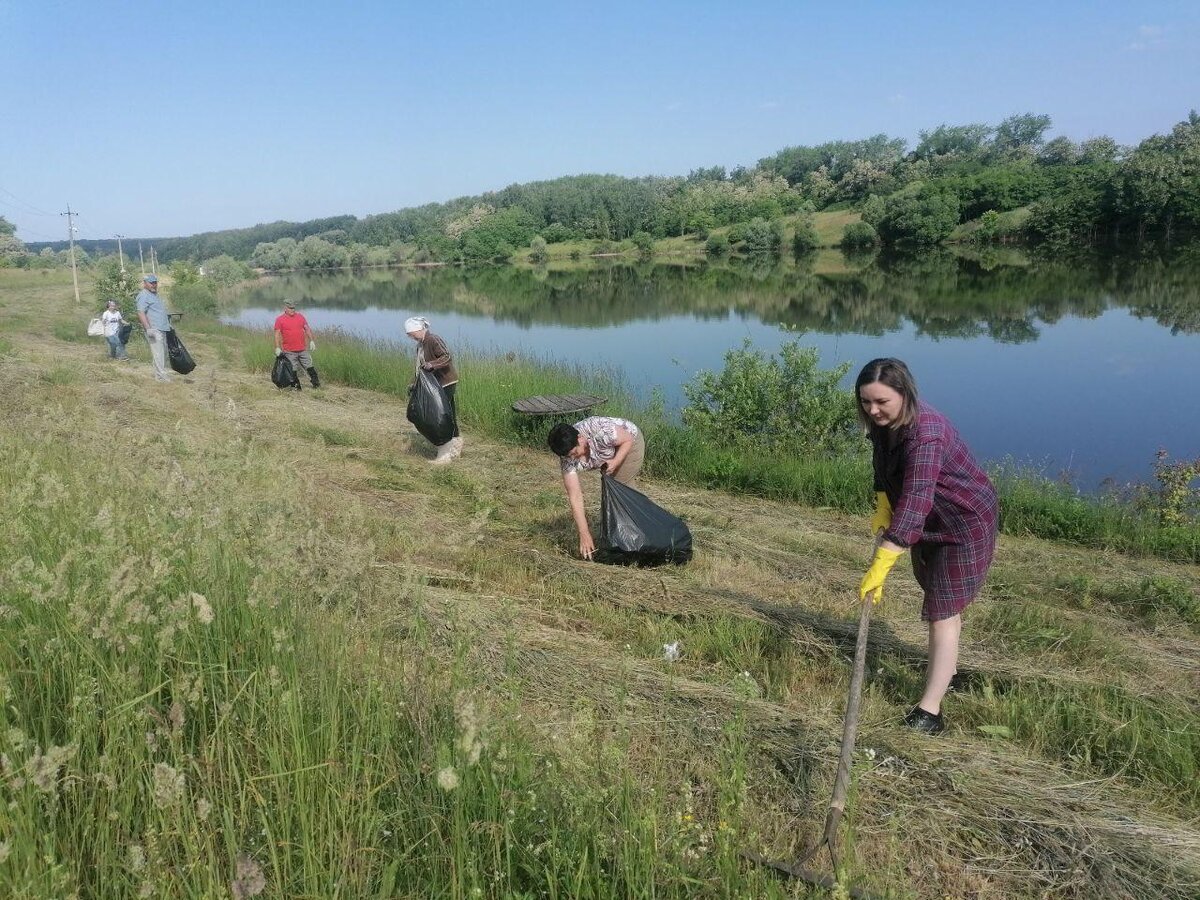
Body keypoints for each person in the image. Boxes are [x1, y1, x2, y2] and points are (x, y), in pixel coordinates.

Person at [856, 358, 998, 735]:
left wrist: (883, 562)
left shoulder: (926, 433)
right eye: (866, 402)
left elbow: (917, 498)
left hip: (963, 521)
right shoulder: (884, 425)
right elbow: (883, 463)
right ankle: (947, 669)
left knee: (942, 610)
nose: (873, 410)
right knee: (937, 593)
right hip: (931, 521)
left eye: (882, 402)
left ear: (905, 394)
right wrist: (883, 500)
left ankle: (930, 712)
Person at [548, 416, 645, 559]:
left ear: (580, 439)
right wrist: (584, 533)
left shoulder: (601, 431)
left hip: (630, 443)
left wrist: (616, 461)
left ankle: (638, 539)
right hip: (611, 450)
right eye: (569, 456)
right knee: (613, 494)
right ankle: (623, 538)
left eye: (574, 453)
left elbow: (628, 439)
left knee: (620, 491)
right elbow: (575, 496)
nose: (572, 459)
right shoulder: (567, 456)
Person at [404, 316, 461, 464]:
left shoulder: (433, 339)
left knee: (439, 418)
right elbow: (419, 368)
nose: (410, 337)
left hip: (445, 382)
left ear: (419, 329)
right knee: (448, 415)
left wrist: (432, 365)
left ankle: (445, 455)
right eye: (409, 335)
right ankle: (455, 447)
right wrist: (414, 383)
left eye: (411, 334)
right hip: (434, 385)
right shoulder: (420, 345)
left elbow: (446, 356)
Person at [273, 300, 320, 389]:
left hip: (302, 349)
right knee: (292, 370)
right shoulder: (279, 319)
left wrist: (312, 341)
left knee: (310, 367)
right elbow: (277, 334)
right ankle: (296, 388)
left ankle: (316, 385)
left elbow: (307, 328)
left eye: (293, 308)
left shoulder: (300, 317)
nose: (292, 310)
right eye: (290, 308)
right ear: (285, 308)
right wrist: (277, 348)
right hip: (289, 351)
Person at [135, 274, 173, 382]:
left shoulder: (154, 295)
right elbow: (141, 312)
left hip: (162, 328)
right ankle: (162, 377)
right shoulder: (143, 295)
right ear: (145, 283)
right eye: (151, 283)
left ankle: (159, 376)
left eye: (155, 282)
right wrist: (148, 329)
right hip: (154, 329)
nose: (154, 285)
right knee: (158, 354)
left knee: (161, 353)